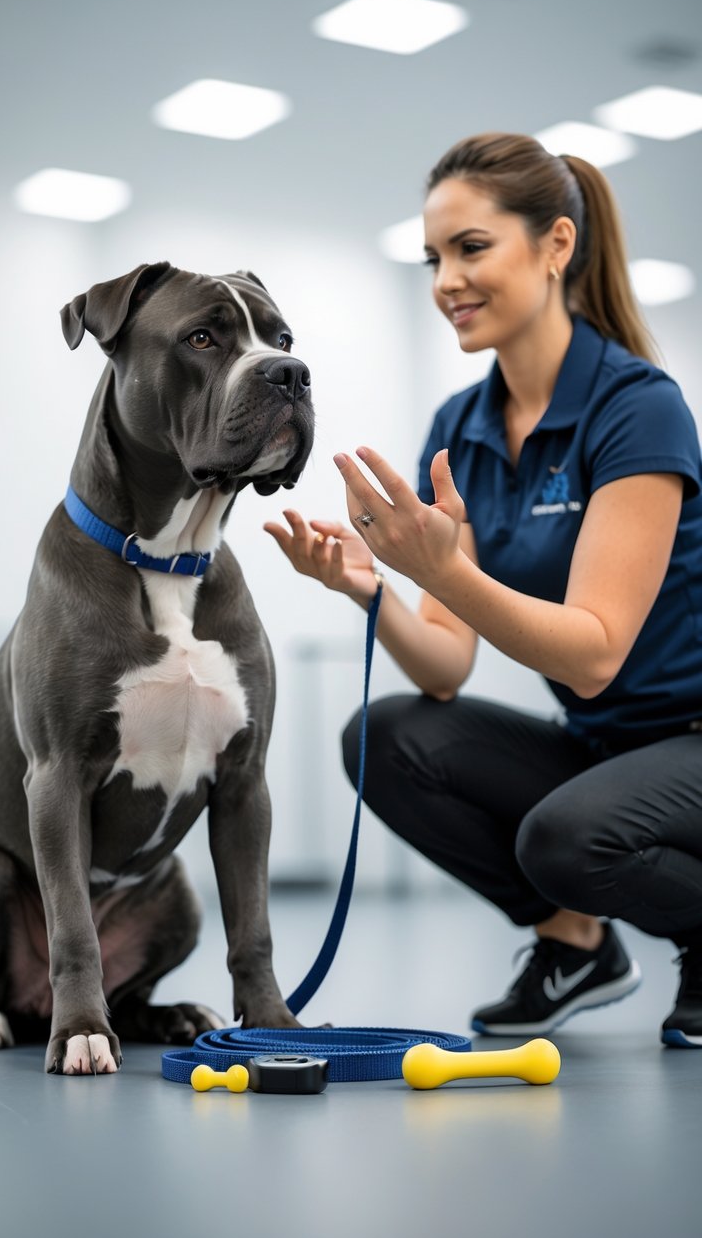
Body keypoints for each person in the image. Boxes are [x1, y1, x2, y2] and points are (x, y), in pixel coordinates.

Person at [265, 132, 702, 1048]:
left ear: (555, 246)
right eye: (433, 257)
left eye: (471, 248)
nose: (445, 282)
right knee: (386, 736)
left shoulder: (637, 407)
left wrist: (448, 571)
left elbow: (593, 653)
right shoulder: (458, 426)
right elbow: (445, 670)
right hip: (607, 747)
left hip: (689, 746)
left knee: (568, 839)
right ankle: (573, 945)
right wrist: (374, 591)